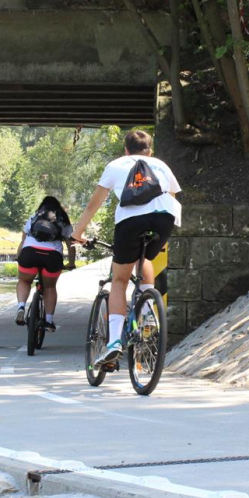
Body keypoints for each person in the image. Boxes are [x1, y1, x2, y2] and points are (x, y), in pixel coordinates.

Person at [72, 129, 181, 366]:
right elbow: (172, 195)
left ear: (126, 150)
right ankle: (148, 310)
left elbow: (94, 204)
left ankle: (114, 343)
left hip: (131, 222)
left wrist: (77, 233)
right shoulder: (161, 165)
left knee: (120, 279)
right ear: (150, 150)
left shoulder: (116, 165)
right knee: (146, 258)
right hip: (164, 220)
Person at [15, 196, 76, 333]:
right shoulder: (64, 222)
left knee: (24, 281)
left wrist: (19, 257)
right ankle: (48, 321)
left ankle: (21, 307)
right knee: (50, 287)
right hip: (52, 257)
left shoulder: (33, 217)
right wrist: (71, 263)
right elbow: (71, 246)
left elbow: (23, 241)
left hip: (29, 253)